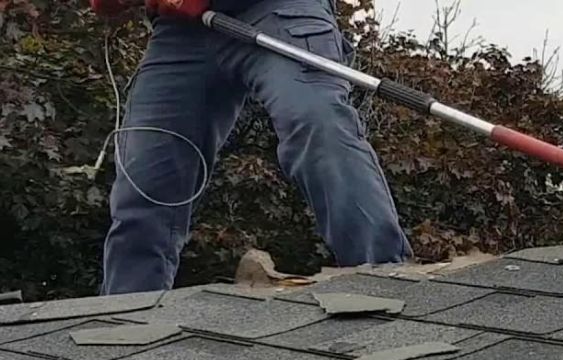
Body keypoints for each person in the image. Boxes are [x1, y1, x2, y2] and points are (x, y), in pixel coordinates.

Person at [90, 0, 412, 294]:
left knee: (316, 120)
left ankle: (384, 280)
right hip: (179, 32)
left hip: (280, 10)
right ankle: (126, 315)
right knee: (145, 181)